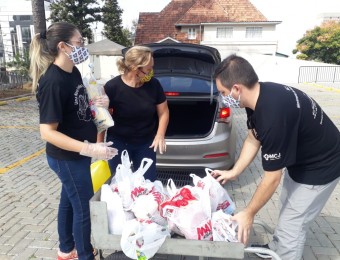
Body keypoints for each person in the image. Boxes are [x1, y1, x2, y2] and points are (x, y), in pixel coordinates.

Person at [211, 54, 340, 260]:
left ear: (237, 88)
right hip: (303, 159)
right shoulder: (261, 95)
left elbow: (272, 178)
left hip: (322, 167)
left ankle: (286, 254)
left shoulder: (273, 115)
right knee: (286, 204)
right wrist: (234, 172)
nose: (223, 98)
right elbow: (254, 137)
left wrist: (249, 213)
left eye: (223, 92)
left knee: (292, 224)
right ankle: (276, 249)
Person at [29, 22, 118, 260]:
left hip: (78, 154)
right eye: (79, 42)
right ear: (63, 46)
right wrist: (89, 148)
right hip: (66, 157)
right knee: (84, 208)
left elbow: (80, 104)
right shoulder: (52, 81)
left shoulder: (75, 71)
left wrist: (99, 103)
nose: (83, 46)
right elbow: (47, 132)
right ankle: (84, 255)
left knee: (69, 201)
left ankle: (66, 250)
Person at [98, 46, 169, 182]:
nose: (151, 72)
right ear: (135, 68)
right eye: (148, 69)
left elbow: (164, 111)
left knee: (147, 184)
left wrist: (160, 135)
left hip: (145, 143)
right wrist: (99, 143)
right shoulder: (112, 87)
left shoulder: (154, 85)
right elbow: (102, 118)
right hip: (118, 142)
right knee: (118, 183)